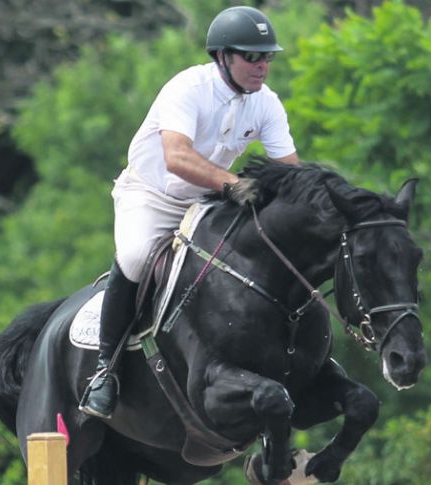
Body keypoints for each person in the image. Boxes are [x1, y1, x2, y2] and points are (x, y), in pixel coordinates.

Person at [79, 5, 300, 419]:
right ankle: (104, 371)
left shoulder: (267, 104)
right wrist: (234, 183)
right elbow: (177, 157)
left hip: (205, 201)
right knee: (135, 256)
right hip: (151, 194)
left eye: (267, 56)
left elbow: (290, 172)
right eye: (252, 56)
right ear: (223, 56)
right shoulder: (187, 88)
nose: (262, 65)